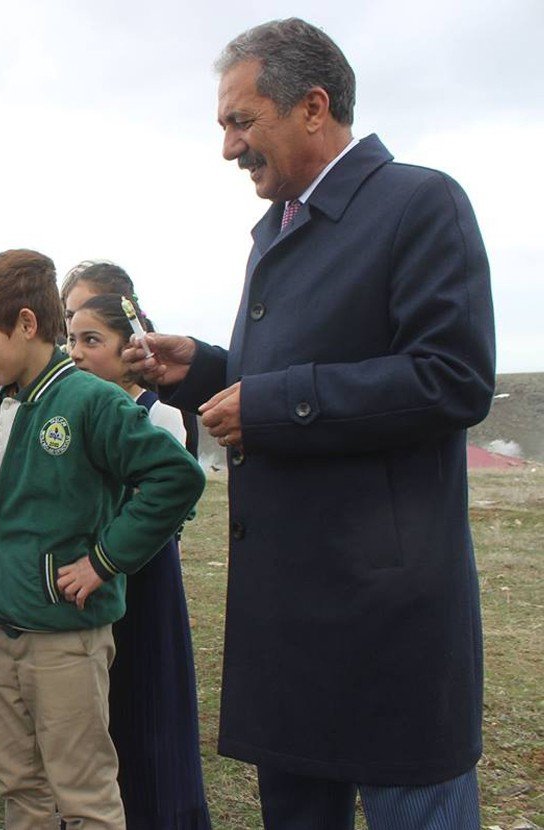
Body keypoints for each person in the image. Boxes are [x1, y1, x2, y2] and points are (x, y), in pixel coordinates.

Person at [124, 18, 495, 830]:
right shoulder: (276, 233)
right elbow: (306, 378)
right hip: (291, 633)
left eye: (241, 121)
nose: (228, 147)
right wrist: (212, 374)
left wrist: (269, 403)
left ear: (314, 107)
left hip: (387, 626)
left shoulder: (419, 204)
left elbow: (452, 378)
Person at [0, 249, 206, 830]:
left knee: (83, 793)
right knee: (22, 787)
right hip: (3, 631)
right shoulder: (1, 402)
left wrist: (105, 560)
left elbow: (176, 477)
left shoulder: (92, 400)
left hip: (64, 638)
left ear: (27, 324)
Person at [67, 293, 211, 829]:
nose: (75, 352)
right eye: (71, 339)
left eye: (91, 340)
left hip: (142, 579)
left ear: (128, 348)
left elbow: (163, 504)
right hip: (93, 582)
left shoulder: (162, 417)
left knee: (145, 705)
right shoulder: (77, 411)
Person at [61, 261, 200, 459]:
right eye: (69, 315)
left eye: (91, 338)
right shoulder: (63, 401)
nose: (78, 322)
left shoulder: (159, 408)